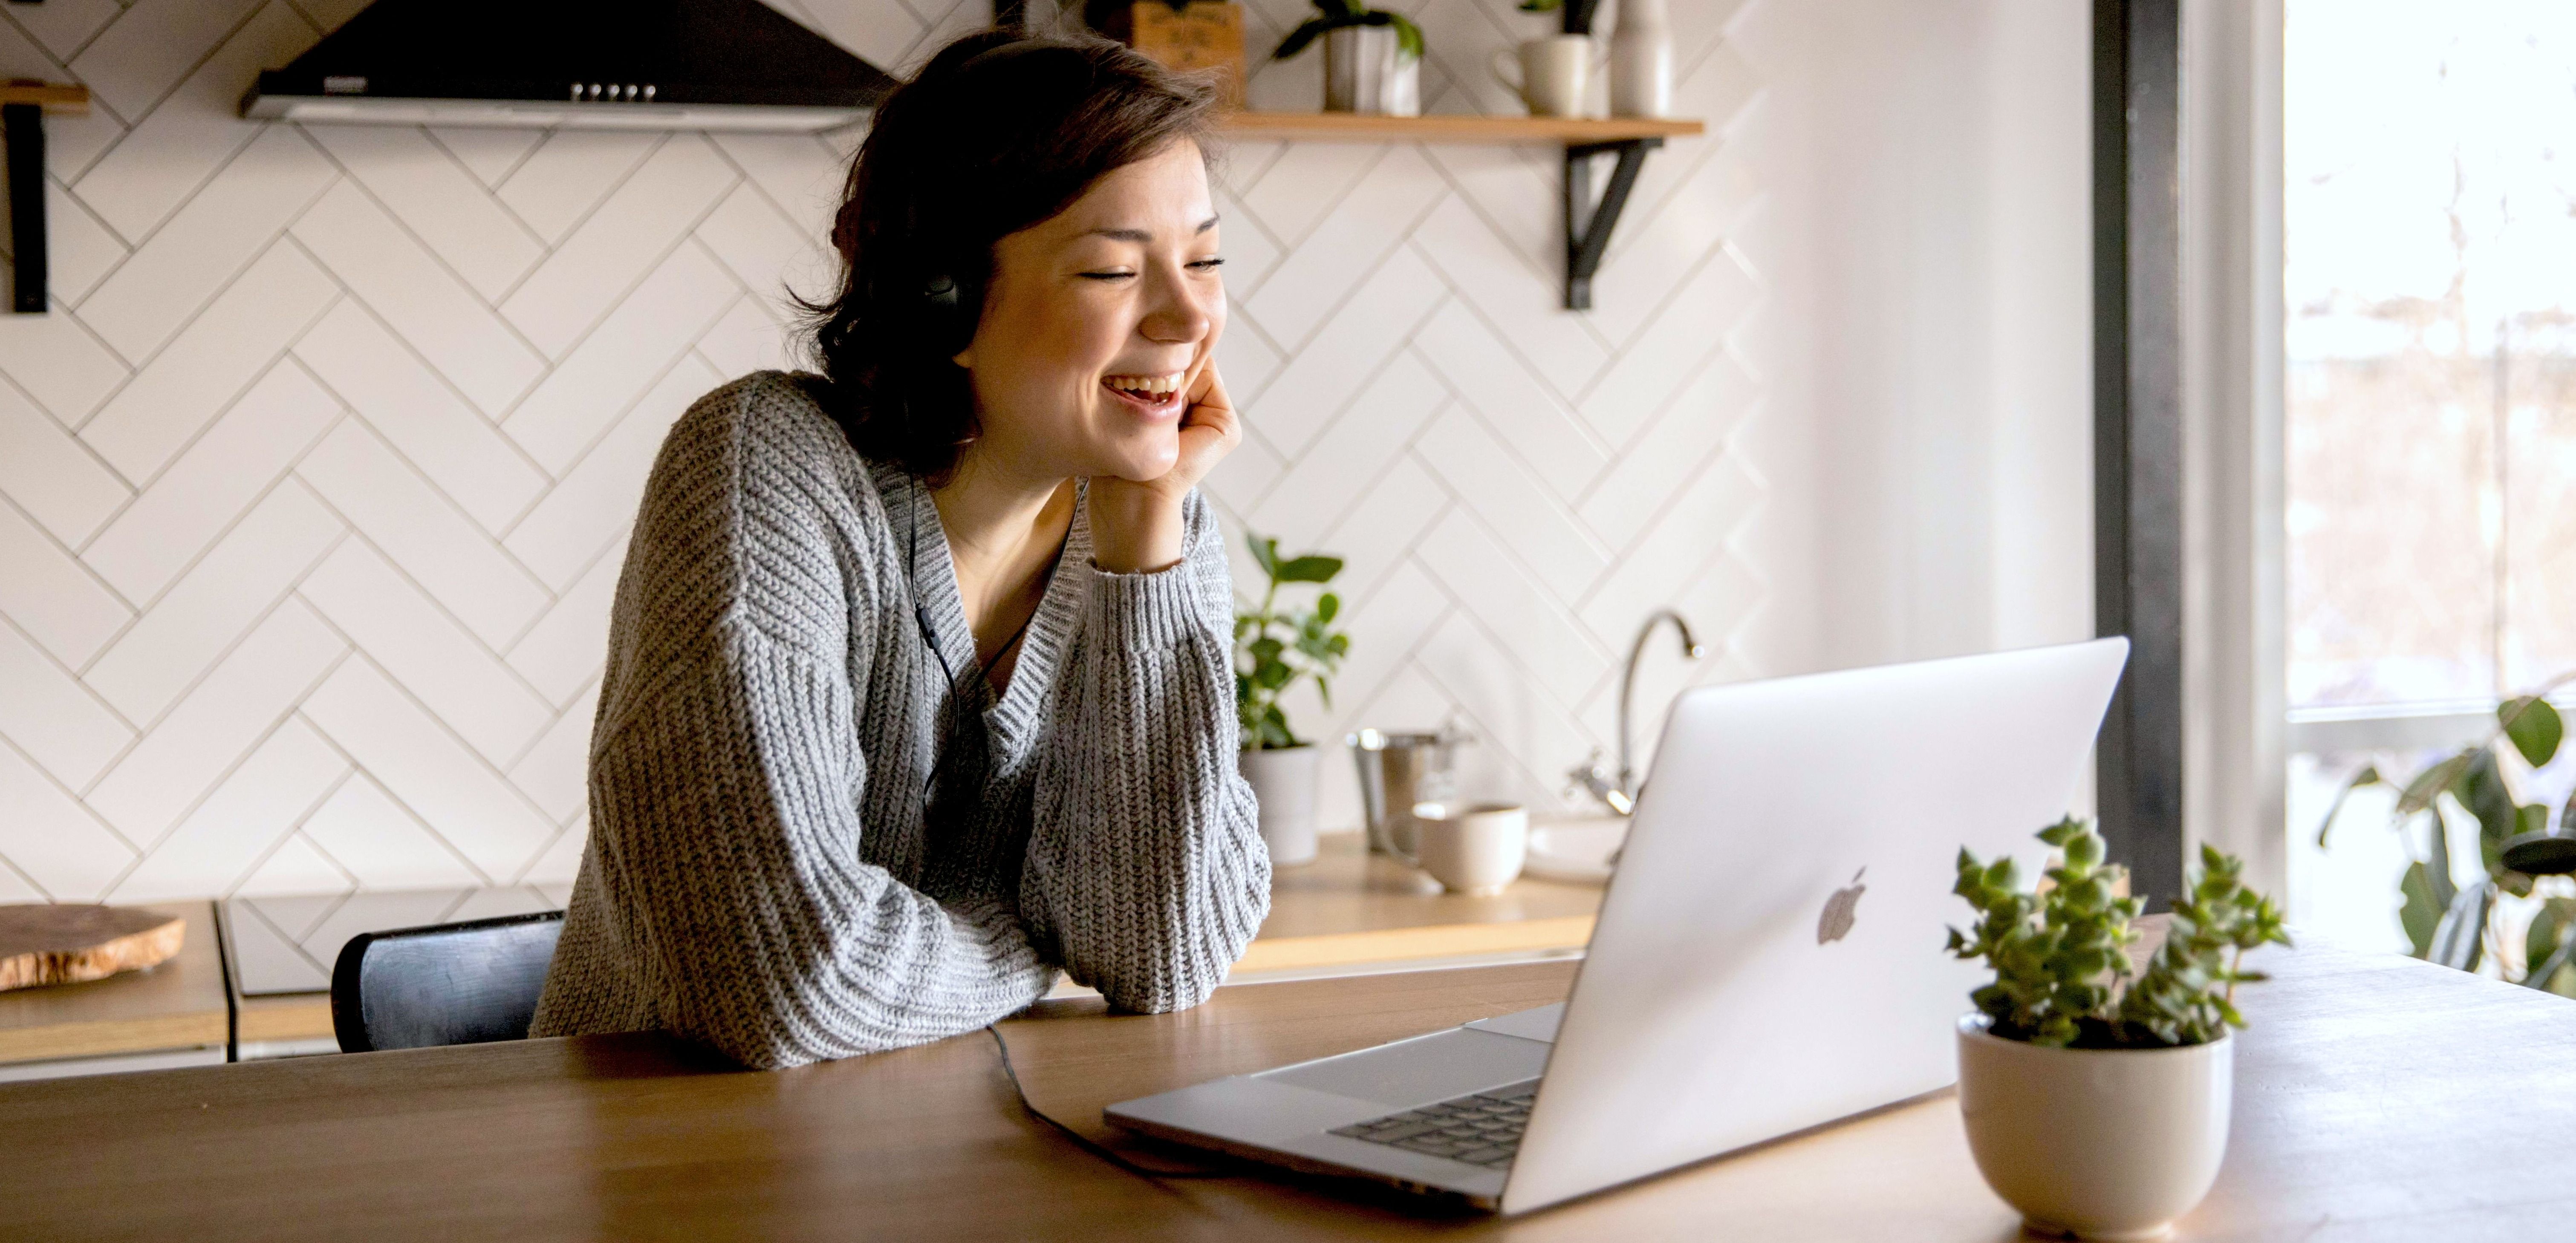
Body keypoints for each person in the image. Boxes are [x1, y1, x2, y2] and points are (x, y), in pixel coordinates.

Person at [528, 29, 1271, 1070]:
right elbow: (785, 981)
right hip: (676, 1174)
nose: (1190, 315)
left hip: (959, 1166)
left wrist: (1147, 551)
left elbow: (1162, 957)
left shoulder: (1156, 532)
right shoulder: (765, 469)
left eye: (1205, 259)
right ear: (945, 299)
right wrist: (1030, 939)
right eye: (1112, 268)